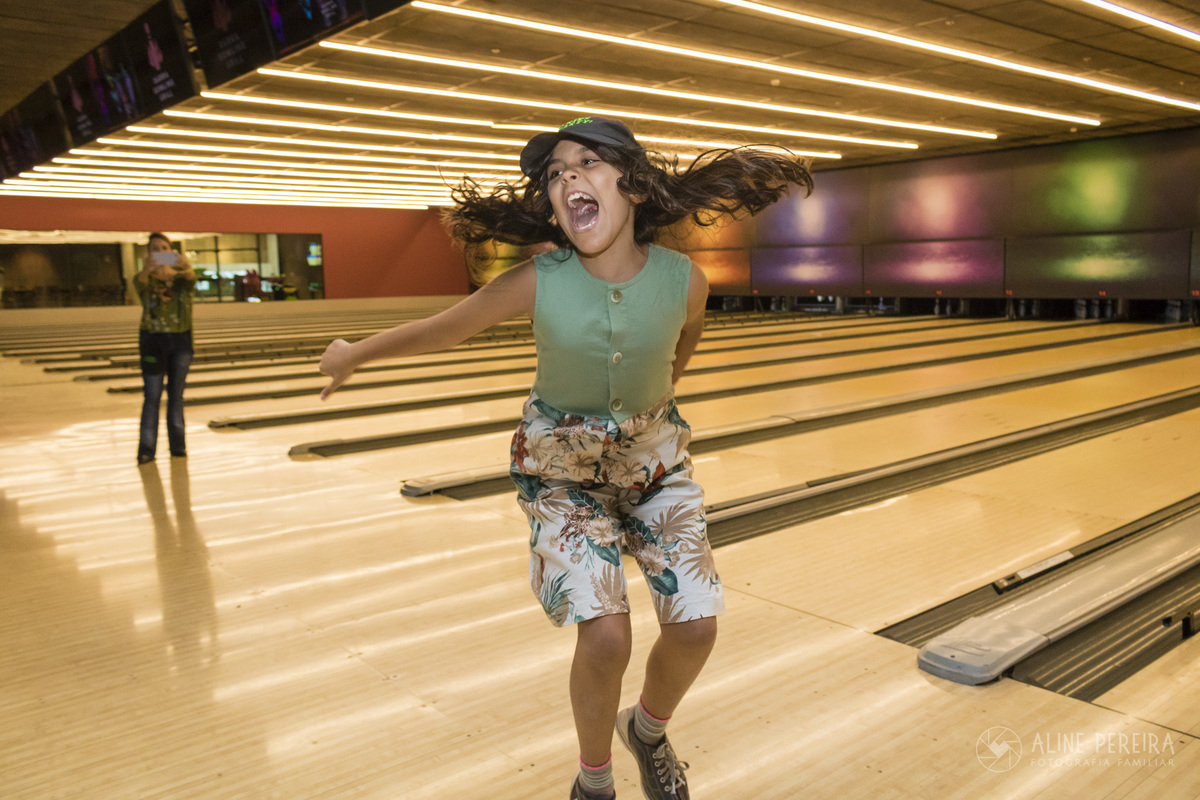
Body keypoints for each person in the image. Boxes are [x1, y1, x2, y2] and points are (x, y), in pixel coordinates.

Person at [318, 117, 812, 799]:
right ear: (551, 202)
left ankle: (646, 730)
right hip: (561, 475)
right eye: (555, 173)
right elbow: (445, 330)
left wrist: (658, 395)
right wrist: (354, 355)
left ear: (634, 186)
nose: (568, 177)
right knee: (606, 637)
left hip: (654, 468)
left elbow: (684, 341)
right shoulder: (538, 279)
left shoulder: (685, 279)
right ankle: (594, 781)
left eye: (587, 162)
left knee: (696, 627)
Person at [134, 233, 196, 465]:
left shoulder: (182, 279)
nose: (159, 251)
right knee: (151, 397)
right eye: (154, 249)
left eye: (164, 248)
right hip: (152, 342)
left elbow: (191, 278)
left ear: (171, 251)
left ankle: (178, 447)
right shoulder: (143, 279)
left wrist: (186, 266)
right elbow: (139, 285)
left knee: (176, 397)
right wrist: (147, 269)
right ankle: (146, 449)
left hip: (181, 342)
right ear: (148, 253)